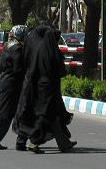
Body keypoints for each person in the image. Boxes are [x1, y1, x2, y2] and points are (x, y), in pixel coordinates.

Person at [13, 25, 76, 153]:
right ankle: (33, 142)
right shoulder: (47, 52)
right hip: (46, 90)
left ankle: (64, 143)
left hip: (37, 87)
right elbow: (58, 70)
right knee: (44, 116)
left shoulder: (37, 48)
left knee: (50, 115)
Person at [0, 25, 28, 150]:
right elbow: (18, 69)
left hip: (5, 82)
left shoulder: (7, 46)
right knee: (6, 114)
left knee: (7, 113)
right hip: (12, 84)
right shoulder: (17, 49)